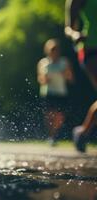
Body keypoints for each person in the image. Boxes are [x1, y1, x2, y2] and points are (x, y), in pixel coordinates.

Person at [65, 0, 97, 152]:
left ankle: (82, 132)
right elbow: (69, 28)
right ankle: (83, 132)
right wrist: (75, 34)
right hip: (91, 49)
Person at [37, 39, 74, 146]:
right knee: (49, 116)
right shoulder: (43, 63)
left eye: (56, 49)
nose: (54, 51)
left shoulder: (64, 62)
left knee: (59, 116)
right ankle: (51, 137)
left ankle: (54, 134)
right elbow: (40, 79)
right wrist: (44, 79)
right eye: (52, 49)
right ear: (47, 50)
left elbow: (71, 78)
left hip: (61, 92)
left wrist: (66, 74)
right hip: (48, 92)